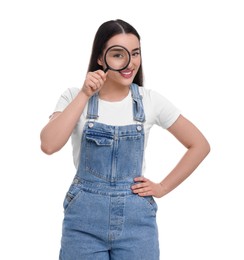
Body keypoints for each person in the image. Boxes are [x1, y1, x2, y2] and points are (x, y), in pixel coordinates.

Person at [40, 19, 210, 260]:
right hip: (83, 223)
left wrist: (162, 187)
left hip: (137, 225)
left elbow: (200, 145)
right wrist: (85, 93)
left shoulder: (150, 101)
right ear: (101, 58)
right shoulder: (73, 96)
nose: (130, 63)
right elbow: (48, 144)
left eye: (136, 53)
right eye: (118, 55)